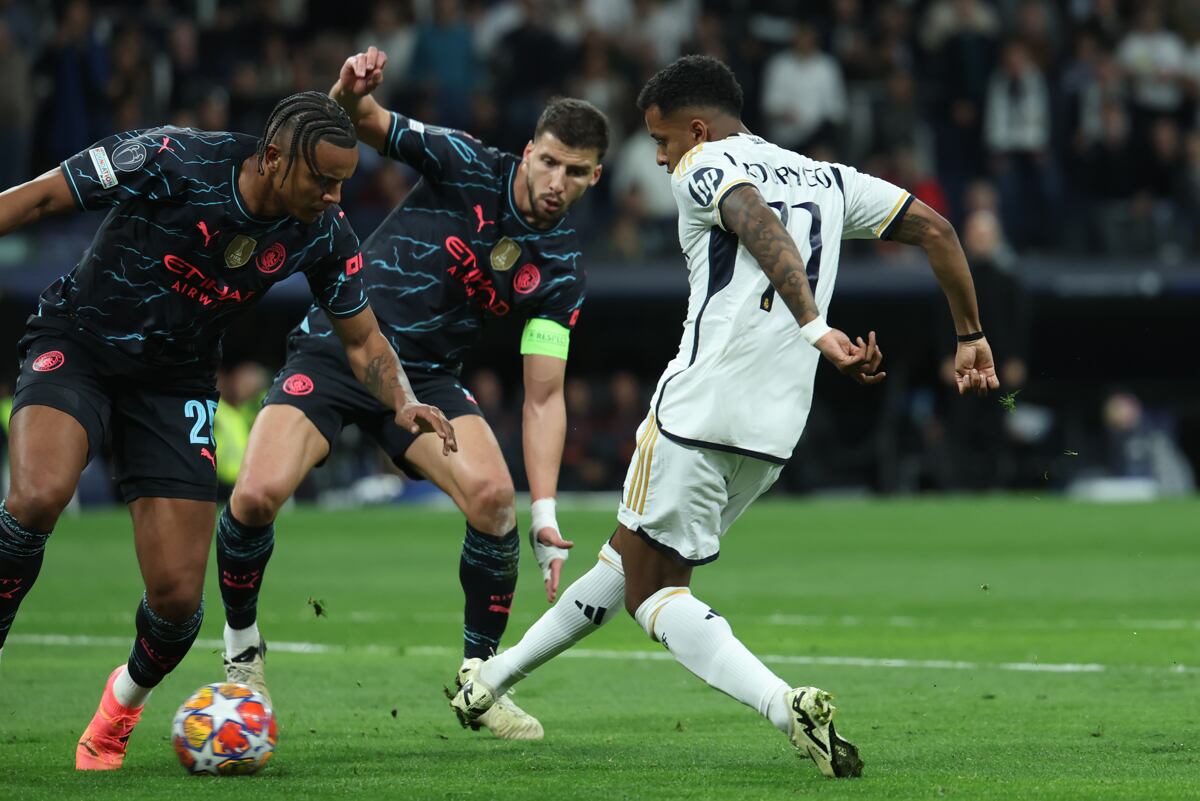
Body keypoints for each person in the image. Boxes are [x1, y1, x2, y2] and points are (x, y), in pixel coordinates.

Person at [451, 55, 999, 778]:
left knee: (654, 590)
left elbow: (752, 217)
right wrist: (970, 334)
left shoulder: (703, 166)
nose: (659, 155)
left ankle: (785, 703)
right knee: (627, 558)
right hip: (774, 433)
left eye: (663, 138)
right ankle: (487, 682)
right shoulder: (832, 179)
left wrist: (813, 326)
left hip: (697, 408)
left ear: (698, 129)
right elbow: (936, 229)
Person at [0, 90, 455, 771]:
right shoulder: (168, 158)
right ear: (273, 158)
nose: (335, 196)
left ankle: (118, 709)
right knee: (37, 495)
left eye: (342, 182)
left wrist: (404, 401)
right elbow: (38, 198)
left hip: (175, 384)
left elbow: (363, 342)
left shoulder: (324, 234)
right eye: (323, 179)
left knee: (180, 603)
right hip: (81, 345)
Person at [214, 48, 608, 740]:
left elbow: (544, 396)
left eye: (575, 171)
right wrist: (347, 87)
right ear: (528, 152)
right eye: (548, 161)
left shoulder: (561, 268)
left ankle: (479, 682)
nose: (557, 180)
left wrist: (543, 510)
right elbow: (357, 122)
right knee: (252, 497)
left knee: (493, 501)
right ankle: (242, 651)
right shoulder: (464, 160)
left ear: (594, 176)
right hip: (341, 348)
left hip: (425, 379)